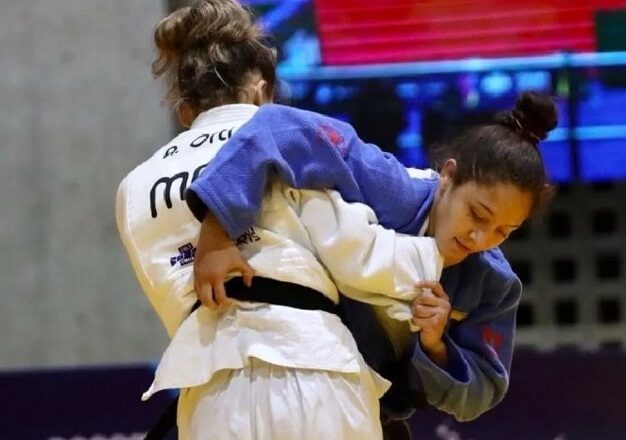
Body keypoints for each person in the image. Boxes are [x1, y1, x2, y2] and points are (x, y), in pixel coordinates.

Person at [116, 1, 462, 438]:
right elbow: (356, 253)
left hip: (210, 393)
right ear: (262, 91)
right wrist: (433, 258)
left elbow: (173, 299)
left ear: (184, 111)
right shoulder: (287, 142)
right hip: (317, 371)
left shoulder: (135, 186)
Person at [185, 91, 558, 425]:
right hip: (288, 366)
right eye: (477, 214)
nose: (481, 238)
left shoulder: (494, 284)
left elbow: (480, 393)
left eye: (503, 232)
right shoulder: (386, 184)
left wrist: (435, 343)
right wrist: (218, 230)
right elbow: (278, 125)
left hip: (374, 410)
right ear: (447, 177)